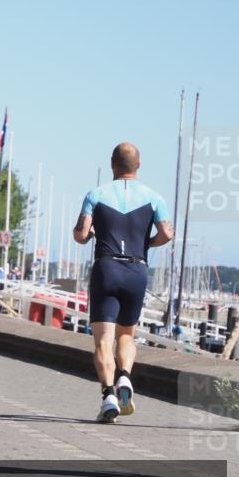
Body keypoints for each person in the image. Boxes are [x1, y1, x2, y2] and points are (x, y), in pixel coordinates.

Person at [73, 142, 173, 424]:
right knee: (126, 335)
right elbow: (167, 233)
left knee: (103, 340)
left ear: (112, 165)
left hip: (107, 266)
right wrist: (147, 244)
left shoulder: (96, 194)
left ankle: (108, 396)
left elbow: (81, 234)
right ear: (138, 166)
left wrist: (89, 233)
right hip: (136, 269)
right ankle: (125, 378)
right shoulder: (154, 198)